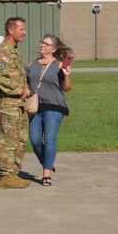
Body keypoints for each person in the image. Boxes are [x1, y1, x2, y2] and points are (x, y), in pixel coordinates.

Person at [26, 34, 72, 186]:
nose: (42, 45)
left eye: (45, 43)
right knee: (35, 139)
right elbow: (25, 83)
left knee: (50, 139)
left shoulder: (59, 65)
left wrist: (66, 76)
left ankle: (47, 172)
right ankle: (48, 162)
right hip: (35, 107)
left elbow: (67, 89)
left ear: (53, 49)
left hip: (54, 106)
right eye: (42, 42)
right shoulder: (32, 64)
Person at [0, 17, 31, 188]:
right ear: (11, 30)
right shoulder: (3, 51)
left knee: (19, 139)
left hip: (18, 105)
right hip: (8, 105)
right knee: (7, 140)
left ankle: (14, 173)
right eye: (21, 29)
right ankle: (5, 176)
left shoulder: (14, 51)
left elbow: (19, 75)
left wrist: (26, 87)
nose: (24, 32)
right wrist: (19, 90)